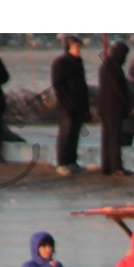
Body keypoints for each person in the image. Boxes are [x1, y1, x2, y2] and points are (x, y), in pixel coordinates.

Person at [51, 36, 89, 176]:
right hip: (66, 106)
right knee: (65, 134)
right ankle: (62, 163)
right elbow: (58, 86)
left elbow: (82, 85)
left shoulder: (78, 63)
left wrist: (85, 106)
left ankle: (72, 161)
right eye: (76, 47)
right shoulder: (60, 63)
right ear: (69, 48)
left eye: (79, 47)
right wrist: (67, 103)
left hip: (78, 105)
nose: (78, 50)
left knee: (74, 134)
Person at [97, 39, 131, 176]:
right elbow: (118, 89)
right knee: (114, 138)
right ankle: (116, 166)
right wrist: (126, 102)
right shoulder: (114, 66)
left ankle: (107, 166)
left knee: (107, 137)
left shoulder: (105, 65)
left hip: (104, 108)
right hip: (113, 108)